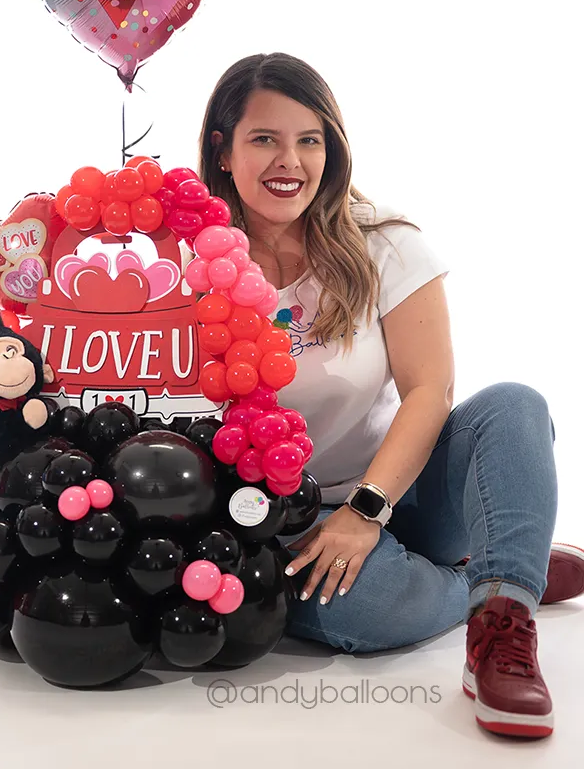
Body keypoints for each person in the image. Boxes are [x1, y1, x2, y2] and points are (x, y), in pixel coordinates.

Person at [197, 52, 584, 740]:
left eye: (309, 140)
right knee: (365, 612)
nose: (290, 161)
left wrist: (367, 511)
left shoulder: (381, 239)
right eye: (265, 139)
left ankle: (501, 628)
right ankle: (499, 572)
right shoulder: (185, 262)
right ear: (223, 151)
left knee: (515, 404)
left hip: (402, 489)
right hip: (283, 518)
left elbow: (430, 390)